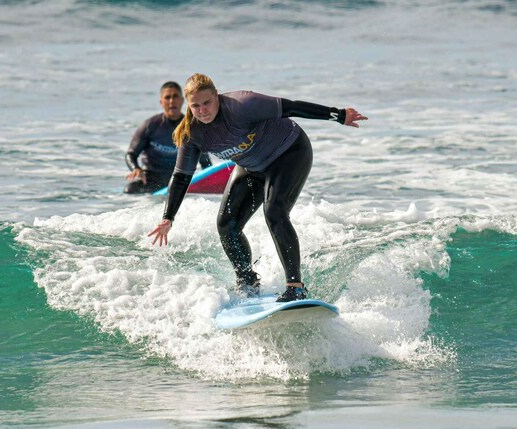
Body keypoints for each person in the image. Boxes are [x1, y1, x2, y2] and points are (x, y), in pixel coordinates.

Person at [147, 73, 367, 302]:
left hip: (289, 152)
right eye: (196, 106)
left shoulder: (243, 105)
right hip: (252, 167)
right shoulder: (191, 134)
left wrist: (339, 115)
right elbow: (181, 176)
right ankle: (247, 281)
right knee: (226, 224)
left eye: (207, 102)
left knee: (275, 212)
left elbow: (291, 107)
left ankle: (295, 286)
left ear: (217, 97)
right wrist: (168, 217)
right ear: (189, 106)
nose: (203, 110)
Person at [124, 81, 212, 193]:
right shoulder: (150, 126)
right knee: (129, 190)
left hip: (181, 182)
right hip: (152, 181)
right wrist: (136, 168)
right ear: (161, 102)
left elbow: (206, 163)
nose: (171, 101)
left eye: (175, 96)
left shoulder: (193, 128)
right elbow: (131, 154)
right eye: (167, 97)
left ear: (182, 100)